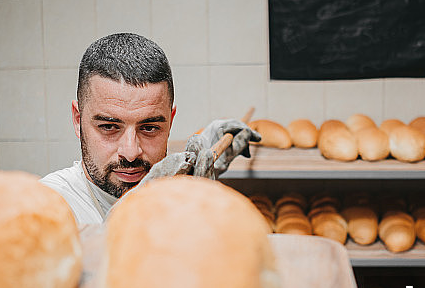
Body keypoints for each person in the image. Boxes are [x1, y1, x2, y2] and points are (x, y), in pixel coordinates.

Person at [39, 33, 260, 226]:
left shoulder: (173, 188)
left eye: (149, 128)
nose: (131, 152)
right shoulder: (49, 206)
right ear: (78, 120)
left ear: (170, 122)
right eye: (108, 127)